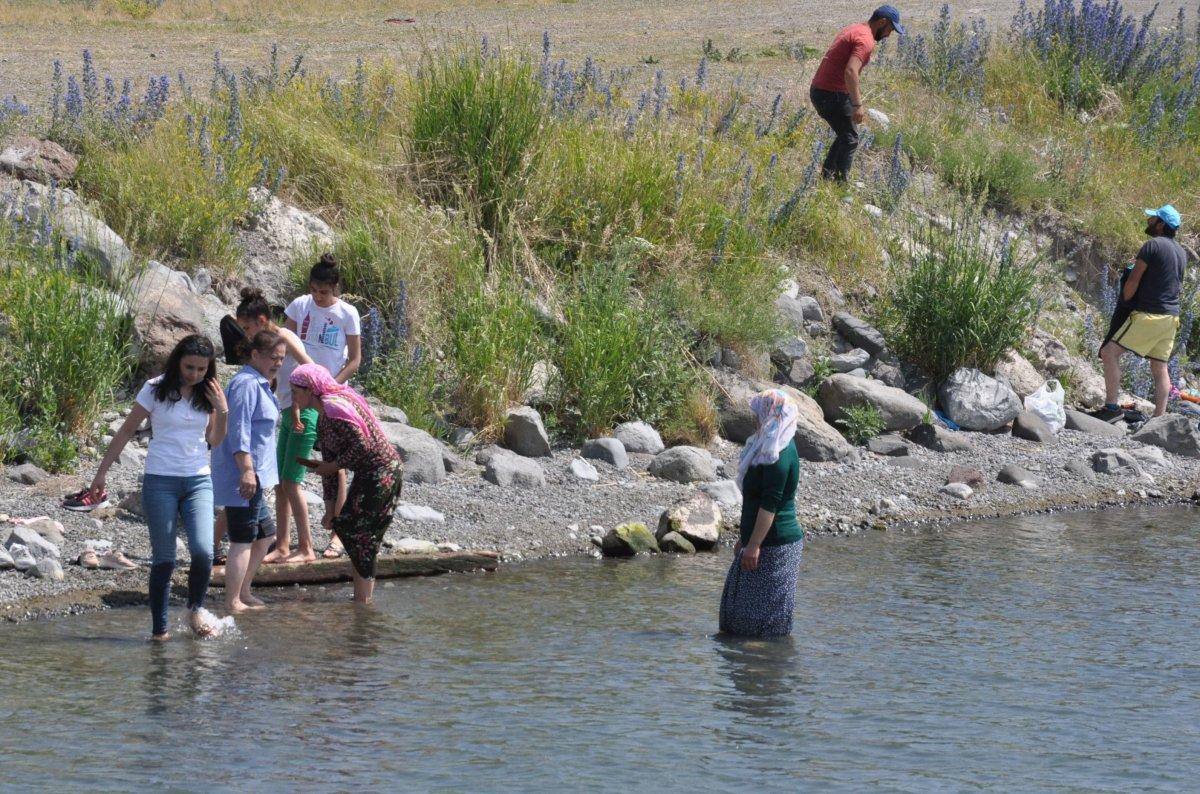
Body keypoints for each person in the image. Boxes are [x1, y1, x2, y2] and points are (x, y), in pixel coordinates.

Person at [86, 335, 228, 640]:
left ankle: (195, 611)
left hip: (198, 481)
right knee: (165, 558)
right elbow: (126, 430)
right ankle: (159, 631)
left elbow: (214, 441)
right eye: (190, 367)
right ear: (178, 360)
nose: (195, 374)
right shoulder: (154, 388)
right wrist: (100, 474)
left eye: (202, 369)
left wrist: (223, 411)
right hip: (160, 480)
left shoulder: (209, 393)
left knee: (203, 552)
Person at [288, 364, 403, 605]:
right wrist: (330, 511)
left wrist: (331, 466)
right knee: (354, 532)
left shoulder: (334, 408)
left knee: (359, 535)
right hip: (369, 474)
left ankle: (363, 602)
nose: (293, 398)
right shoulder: (323, 420)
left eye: (295, 391)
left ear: (310, 390)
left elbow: (363, 446)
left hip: (382, 473)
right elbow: (329, 469)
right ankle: (362, 600)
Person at [230, 288, 318, 564]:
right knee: (281, 483)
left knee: (292, 482)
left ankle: (306, 548)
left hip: (303, 413)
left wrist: (298, 407)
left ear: (261, 320)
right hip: (287, 412)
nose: (245, 333)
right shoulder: (265, 350)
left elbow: (310, 370)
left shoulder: (284, 337)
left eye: (247, 327)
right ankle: (282, 545)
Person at [284, 254, 362, 559]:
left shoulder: (347, 313)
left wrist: (332, 386)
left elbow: (354, 359)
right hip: (301, 392)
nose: (318, 296)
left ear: (335, 288)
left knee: (335, 463)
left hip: (331, 394)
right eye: (314, 290)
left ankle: (337, 535)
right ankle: (293, 537)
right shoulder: (300, 306)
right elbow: (285, 341)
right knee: (296, 459)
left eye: (324, 292)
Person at [211, 330, 286, 614]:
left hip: (259, 475)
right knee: (242, 539)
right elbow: (238, 430)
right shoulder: (246, 384)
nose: (278, 363)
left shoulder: (262, 383)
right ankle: (232, 601)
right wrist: (246, 471)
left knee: (265, 534)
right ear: (255, 355)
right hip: (244, 476)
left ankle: (244, 591)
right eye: (272, 358)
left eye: (281, 358)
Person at [719, 389, 804, 639]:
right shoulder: (767, 446)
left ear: (772, 414)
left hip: (776, 546)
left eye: (758, 413)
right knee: (736, 612)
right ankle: (746, 662)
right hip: (759, 541)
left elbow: (770, 506)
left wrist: (754, 545)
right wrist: (745, 539)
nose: (755, 418)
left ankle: (768, 666)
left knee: (768, 621)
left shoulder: (778, 454)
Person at [1097, 205, 1187, 420]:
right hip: (1171, 317)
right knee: (1159, 367)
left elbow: (1134, 280)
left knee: (1109, 353)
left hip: (1149, 315)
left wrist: (1125, 304)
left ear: (1161, 224)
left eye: (1153, 218)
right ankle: (1158, 421)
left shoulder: (1152, 246)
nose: (1149, 221)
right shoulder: (1181, 252)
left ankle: (1111, 409)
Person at [809, 5, 904, 181]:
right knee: (850, 139)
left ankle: (826, 178)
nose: (888, 35)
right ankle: (839, 185)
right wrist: (857, 104)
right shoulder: (865, 40)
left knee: (846, 134)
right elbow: (851, 71)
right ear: (882, 22)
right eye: (890, 29)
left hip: (821, 90)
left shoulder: (856, 28)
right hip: (830, 94)